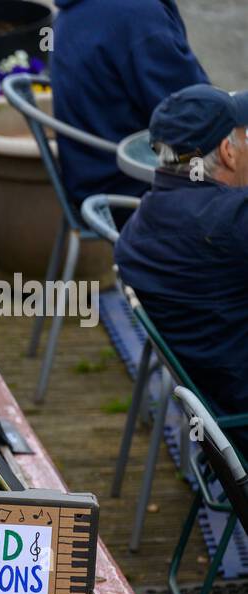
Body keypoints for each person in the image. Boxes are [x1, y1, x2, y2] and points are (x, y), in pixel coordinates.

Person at [115, 85, 248, 453]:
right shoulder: (230, 222)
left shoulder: (137, 228)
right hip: (238, 420)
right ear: (227, 152)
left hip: (215, 422)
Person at [53, 0, 208, 206]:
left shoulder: (76, 11)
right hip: (138, 190)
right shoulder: (138, 17)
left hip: (91, 182)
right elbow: (199, 118)